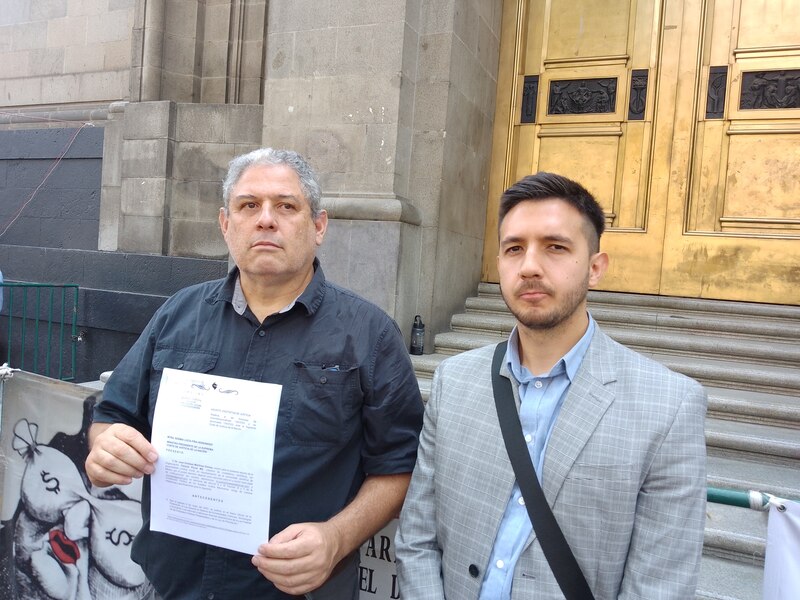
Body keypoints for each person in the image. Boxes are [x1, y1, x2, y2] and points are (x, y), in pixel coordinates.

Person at [85, 147, 424, 599]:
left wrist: (337, 537)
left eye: (286, 206)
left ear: (318, 226)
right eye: (249, 206)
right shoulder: (176, 315)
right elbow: (113, 414)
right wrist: (105, 445)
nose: (266, 220)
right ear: (226, 224)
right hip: (174, 585)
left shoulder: (371, 335)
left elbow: (399, 467)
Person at [395, 172, 707, 599]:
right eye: (514, 249)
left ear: (596, 268)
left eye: (556, 247)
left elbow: (659, 585)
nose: (529, 266)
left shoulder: (669, 407)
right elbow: (417, 538)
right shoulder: (455, 381)